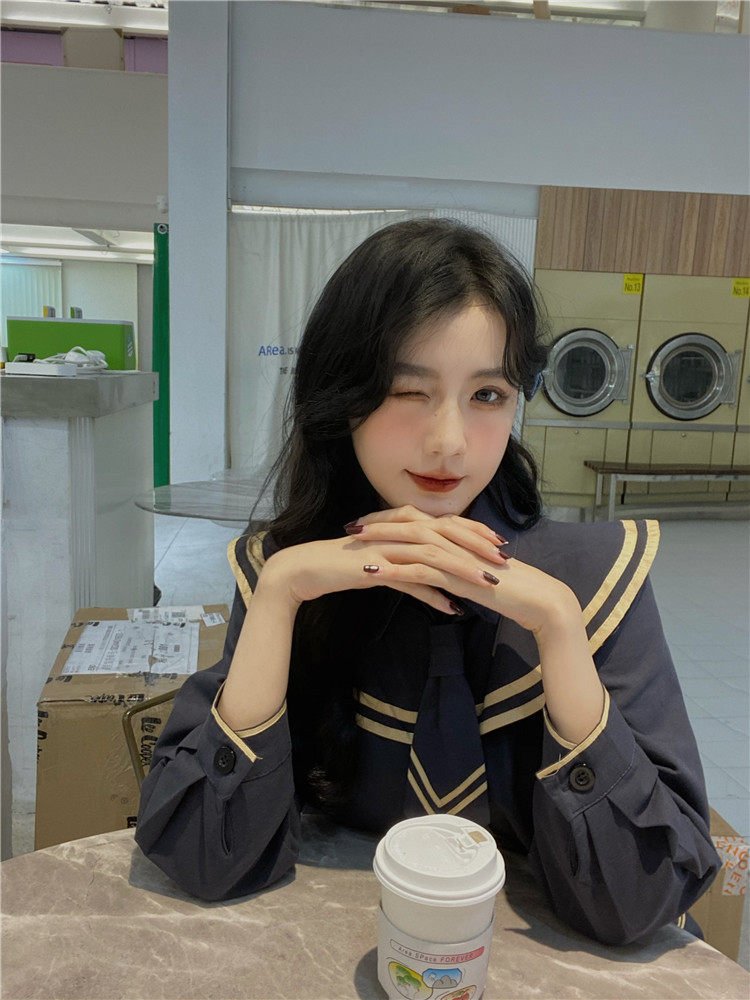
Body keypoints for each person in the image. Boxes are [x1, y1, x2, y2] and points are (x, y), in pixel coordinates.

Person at [135, 218, 720, 946]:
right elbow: (203, 858)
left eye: (488, 395)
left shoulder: (598, 580)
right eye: (407, 390)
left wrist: (560, 630)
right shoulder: (292, 572)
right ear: (339, 396)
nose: (448, 442)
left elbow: (640, 901)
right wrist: (280, 594)